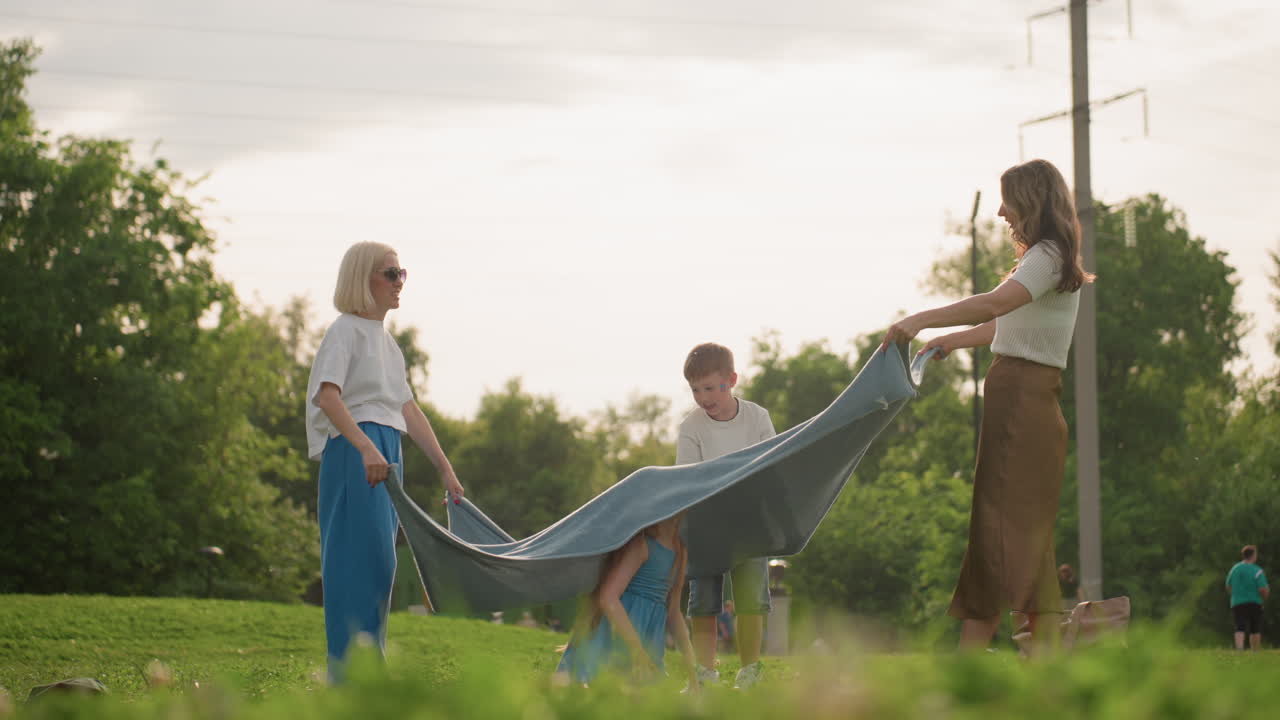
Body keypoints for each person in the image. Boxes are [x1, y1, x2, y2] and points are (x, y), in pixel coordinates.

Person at [881, 158, 1094, 651]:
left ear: (1031, 200)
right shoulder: (1047, 259)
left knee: (994, 529)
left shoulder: (1046, 254)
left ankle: (970, 665)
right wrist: (954, 340)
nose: (1000, 211)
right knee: (1028, 538)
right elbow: (1010, 324)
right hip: (1030, 400)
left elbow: (998, 304)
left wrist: (921, 319)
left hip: (1022, 401)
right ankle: (1044, 671)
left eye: (1008, 199)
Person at [306, 241, 465, 682]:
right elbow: (328, 396)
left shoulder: (387, 344)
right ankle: (348, 680)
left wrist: (444, 468)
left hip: (385, 453)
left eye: (402, 273)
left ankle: (367, 677)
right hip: (356, 454)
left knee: (381, 566)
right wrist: (364, 447)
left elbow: (408, 410)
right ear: (364, 279)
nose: (400, 282)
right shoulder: (345, 330)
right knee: (353, 567)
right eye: (390, 274)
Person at [676, 342, 776, 689]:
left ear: (731, 380)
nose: (703, 397)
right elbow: (687, 477)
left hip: (750, 524)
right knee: (702, 602)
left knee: (752, 601)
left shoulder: (757, 417)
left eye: (710, 387)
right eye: (695, 390)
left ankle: (750, 671)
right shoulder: (692, 426)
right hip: (706, 526)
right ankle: (705, 673)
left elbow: (772, 462)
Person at [554, 515, 697, 688]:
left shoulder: (680, 549)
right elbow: (608, 597)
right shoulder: (642, 543)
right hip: (619, 635)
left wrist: (693, 672)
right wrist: (637, 651)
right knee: (602, 691)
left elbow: (674, 612)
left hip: (648, 640)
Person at [1226, 545, 1270, 650]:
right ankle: (1255, 650)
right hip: (1254, 602)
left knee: (1239, 626)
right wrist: (1264, 598)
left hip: (1237, 602)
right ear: (1253, 555)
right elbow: (1262, 589)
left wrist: (1236, 595)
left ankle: (1239, 650)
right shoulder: (1257, 570)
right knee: (1255, 627)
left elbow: (1228, 586)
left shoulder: (1234, 569)